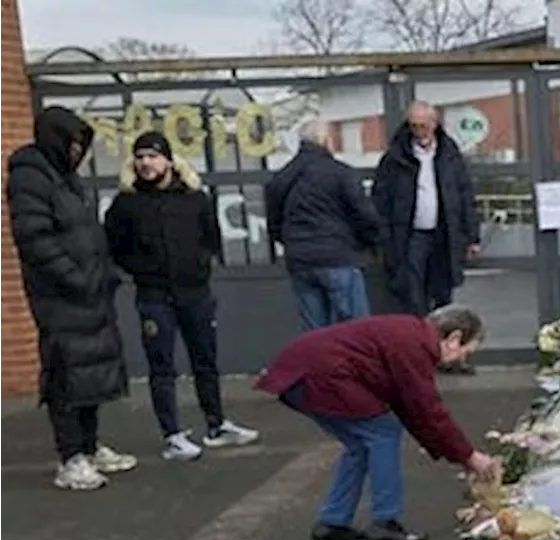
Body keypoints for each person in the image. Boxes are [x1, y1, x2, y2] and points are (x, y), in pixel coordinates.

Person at [255, 307, 500, 540]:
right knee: (382, 433)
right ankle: (385, 521)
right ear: (454, 338)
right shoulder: (415, 346)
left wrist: (459, 455)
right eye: (466, 352)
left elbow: (413, 408)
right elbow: (427, 409)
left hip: (298, 375)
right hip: (322, 376)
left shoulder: (408, 333)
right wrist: (469, 456)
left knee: (360, 444)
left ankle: (333, 521)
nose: (462, 361)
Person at [104, 132, 260, 461]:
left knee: (205, 360)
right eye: (140, 157)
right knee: (162, 368)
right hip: (154, 297)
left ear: (168, 160)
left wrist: (201, 265)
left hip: (195, 294)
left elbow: (211, 238)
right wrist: (141, 271)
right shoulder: (125, 204)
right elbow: (115, 249)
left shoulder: (194, 198)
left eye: (153, 156)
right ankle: (173, 435)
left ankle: (216, 426)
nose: (146, 163)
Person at [5, 106, 137, 491]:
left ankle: (90, 447)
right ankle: (71, 456)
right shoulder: (30, 178)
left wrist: (105, 274)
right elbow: (35, 241)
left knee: (91, 373)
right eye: (73, 142)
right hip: (60, 297)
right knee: (65, 375)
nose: (78, 151)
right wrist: (76, 278)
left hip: (91, 291)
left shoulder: (66, 179)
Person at [372, 101, 482, 374]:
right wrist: (383, 240)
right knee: (413, 297)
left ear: (435, 123)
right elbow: (380, 201)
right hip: (409, 236)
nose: (419, 131)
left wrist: (472, 236)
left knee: (444, 295)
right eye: (413, 126)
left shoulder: (449, 154)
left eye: (423, 125)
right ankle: (418, 357)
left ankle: (449, 356)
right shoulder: (395, 157)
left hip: (444, 234)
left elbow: (465, 196)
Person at [265, 121, 382, 331]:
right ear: (324, 140)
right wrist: (371, 243)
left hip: (300, 260)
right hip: (338, 256)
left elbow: (274, 221)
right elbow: (364, 214)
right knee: (356, 329)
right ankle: (354, 364)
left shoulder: (282, 177)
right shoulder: (340, 173)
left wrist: (292, 242)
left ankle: (322, 364)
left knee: (315, 332)